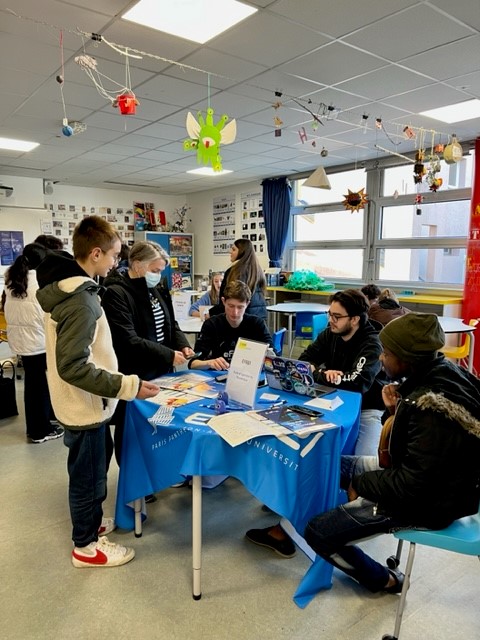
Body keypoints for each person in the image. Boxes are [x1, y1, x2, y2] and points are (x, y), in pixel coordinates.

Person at [304, 313, 480, 594]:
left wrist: (360, 484)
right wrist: (395, 410)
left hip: (427, 502)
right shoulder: (441, 372)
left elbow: (413, 484)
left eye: (387, 354)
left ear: (408, 358)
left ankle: (383, 580)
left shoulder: (431, 408)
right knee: (327, 465)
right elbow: (420, 447)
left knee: (318, 532)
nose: (381, 359)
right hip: (428, 479)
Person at [36, 216, 159, 568]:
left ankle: (88, 524)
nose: (116, 262)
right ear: (94, 254)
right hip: (85, 406)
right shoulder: (81, 301)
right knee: (88, 477)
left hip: (83, 404)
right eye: (114, 256)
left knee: (92, 469)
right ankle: (86, 546)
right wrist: (128, 386)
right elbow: (73, 365)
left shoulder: (69, 287)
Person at [245, 289, 387, 557]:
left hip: (367, 409)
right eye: (329, 314)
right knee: (304, 448)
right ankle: (288, 504)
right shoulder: (330, 333)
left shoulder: (371, 343)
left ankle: (334, 530)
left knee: (359, 473)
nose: (330, 320)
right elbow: (304, 361)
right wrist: (323, 373)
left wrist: (319, 373)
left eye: (336, 316)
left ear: (355, 319)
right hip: (327, 402)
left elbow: (359, 382)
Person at [102, 240, 194, 464]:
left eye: (161, 270)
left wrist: (182, 344)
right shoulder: (116, 293)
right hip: (135, 372)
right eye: (155, 270)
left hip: (161, 371)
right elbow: (129, 340)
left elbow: (170, 322)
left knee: (158, 425)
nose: (158, 275)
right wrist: (169, 354)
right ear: (136, 264)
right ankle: (133, 481)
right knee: (132, 430)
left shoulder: (157, 287)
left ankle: (156, 471)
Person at [2, 242, 63, 443]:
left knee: (35, 384)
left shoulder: (12, 280)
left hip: (22, 342)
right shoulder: (39, 281)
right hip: (38, 341)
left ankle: (43, 421)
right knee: (39, 386)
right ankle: (39, 430)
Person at [189, 280, 273, 371]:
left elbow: (272, 357)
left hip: (247, 376)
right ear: (223, 301)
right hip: (218, 376)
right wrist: (209, 363)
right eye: (231, 306)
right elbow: (193, 363)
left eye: (240, 307)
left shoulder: (257, 324)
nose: (235, 312)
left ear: (247, 304)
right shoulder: (212, 324)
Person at [208, 239, 267, 320]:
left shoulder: (236, 271)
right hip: (259, 317)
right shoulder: (257, 270)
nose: (230, 252)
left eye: (233, 249)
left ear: (242, 251)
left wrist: (210, 313)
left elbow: (229, 300)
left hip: (242, 319)